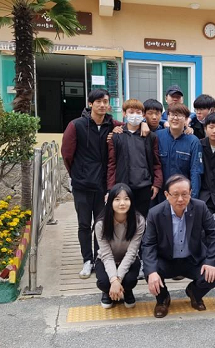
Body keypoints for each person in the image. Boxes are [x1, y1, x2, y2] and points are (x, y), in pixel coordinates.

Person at [62, 88, 122, 279]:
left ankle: (99, 258)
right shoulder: (76, 125)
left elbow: (132, 126)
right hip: (82, 185)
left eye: (105, 101)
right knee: (84, 224)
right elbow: (67, 154)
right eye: (98, 102)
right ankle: (87, 260)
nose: (102, 105)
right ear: (90, 104)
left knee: (101, 224)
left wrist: (142, 125)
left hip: (103, 186)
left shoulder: (112, 124)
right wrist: (77, 174)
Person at [142, 174, 215, 318]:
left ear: (190, 193)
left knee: (211, 276)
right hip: (166, 260)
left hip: (192, 259)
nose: (180, 199)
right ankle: (163, 299)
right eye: (175, 194)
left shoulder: (200, 207)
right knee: (151, 271)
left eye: (184, 194)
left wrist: (211, 262)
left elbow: (214, 234)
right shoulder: (155, 213)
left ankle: (194, 293)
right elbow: (149, 244)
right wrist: (151, 271)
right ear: (167, 195)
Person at [107, 99, 163, 217]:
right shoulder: (116, 136)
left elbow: (156, 163)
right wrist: (110, 188)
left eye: (138, 112)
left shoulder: (151, 137)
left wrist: (157, 183)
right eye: (131, 112)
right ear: (124, 113)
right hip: (123, 186)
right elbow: (112, 164)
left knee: (142, 220)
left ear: (143, 115)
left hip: (144, 186)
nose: (135, 115)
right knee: (124, 219)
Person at [95, 183, 146, 309]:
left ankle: (126, 290)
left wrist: (118, 279)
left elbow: (132, 252)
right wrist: (114, 280)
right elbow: (106, 255)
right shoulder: (101, 224)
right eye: (117, 199)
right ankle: (108, 291)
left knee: (130, 281)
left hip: (129, 259)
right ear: (110, 201)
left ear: (131, 201)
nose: (122, 203)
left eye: (126, 199)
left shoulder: (139, 221)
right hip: (106, 259)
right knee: (104, 282)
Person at [156, 103, 203, 199]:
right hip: (160, 195)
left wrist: (192, 198)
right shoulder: (157, 137)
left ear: (186, 119)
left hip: (182, 196)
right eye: (172, 115)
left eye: (179, 115)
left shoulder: (193, 141)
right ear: (167, 117)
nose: (175, 118)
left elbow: (195, 171)